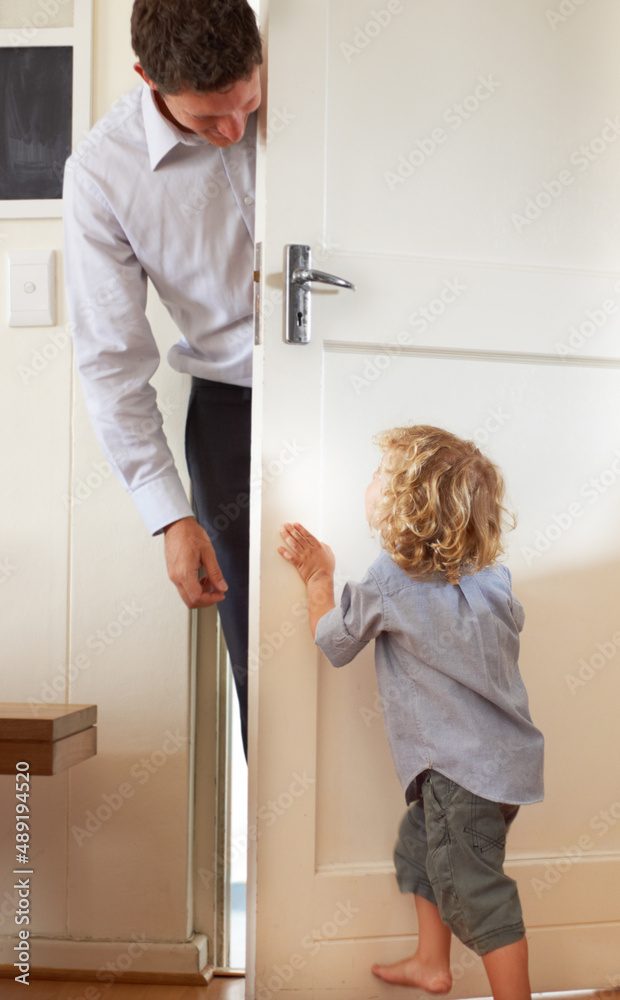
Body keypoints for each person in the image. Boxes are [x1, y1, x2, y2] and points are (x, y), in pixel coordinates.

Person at [277, 425, 544, 1000]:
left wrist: (319, 577)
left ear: (407, 505)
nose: (369, 480)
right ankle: (431, 960)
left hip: (457, 773)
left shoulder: (388, 579)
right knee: (420, 846)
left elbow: (334, 641)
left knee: (480, 898)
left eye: (381, 474)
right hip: (503, 771)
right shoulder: (493, 578)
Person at [63, 0, 263, 754]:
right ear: (148, 79)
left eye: (248, 102)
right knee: (265, 664)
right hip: (232, 412)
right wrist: (172, 516)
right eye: (211, 120)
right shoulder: (101, 176)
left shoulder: (313, 75)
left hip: (360, 379)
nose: (236, 133)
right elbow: (112, 361)